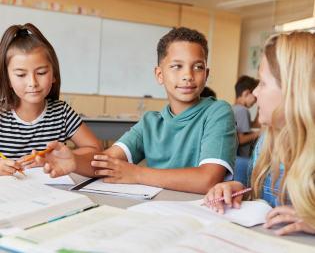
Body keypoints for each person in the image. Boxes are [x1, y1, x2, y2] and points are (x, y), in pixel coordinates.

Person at [32, 27, 238, 194]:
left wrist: (138, 174)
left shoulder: (218, 112)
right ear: (159, 75)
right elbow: (106, 162)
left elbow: (208, 179)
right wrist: (74, 161)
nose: (188, 75)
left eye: (198, 67)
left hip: (201, 214)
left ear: (206, 74)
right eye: (176, 66)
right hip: (157, 210)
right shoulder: (151, 122)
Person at [204, 31, 315, 236]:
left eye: (262, 83)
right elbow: (262, 201)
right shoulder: (267, 142)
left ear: (293, 91)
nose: (255, 93)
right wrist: (239, 190)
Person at [0, 23, 103, 176]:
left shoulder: (62, 112)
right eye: (21, 75)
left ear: (54, 74)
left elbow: (96, 150)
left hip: (52, 194)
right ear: (8, 79)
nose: (33, 82)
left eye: (41, 72)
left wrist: (61, 159)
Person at [232, 75, 261, 158]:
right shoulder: (242, 110)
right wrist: (263, 131)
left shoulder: (232, 108)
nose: (255, 101)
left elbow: (254, 126)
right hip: (243, 158)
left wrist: (260, 106)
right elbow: (241, 140)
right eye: (255, 98)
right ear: (246, 93)